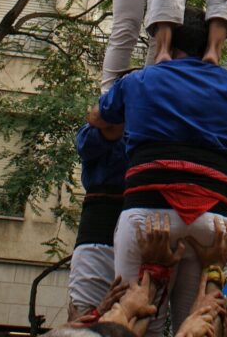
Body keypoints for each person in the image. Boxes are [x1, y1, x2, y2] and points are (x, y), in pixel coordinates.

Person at [89, 7, 227, 335]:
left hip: (147, 214)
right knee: (200, 323)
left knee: (133, 320)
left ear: (167, 41)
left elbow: (98, 117)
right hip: (211, 223)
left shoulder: (140, 80)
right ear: (214, 45)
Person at [67, 122, 127, 317]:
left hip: (140, 230)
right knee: (84, 317)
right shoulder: (97, 130)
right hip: (98, 235)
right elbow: (87, 144)